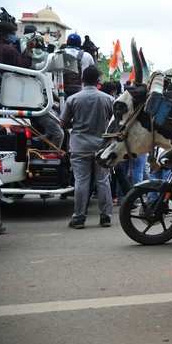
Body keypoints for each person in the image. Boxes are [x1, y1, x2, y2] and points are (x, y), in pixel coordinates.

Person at [60, 65, 114, 229]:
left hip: (79, 146)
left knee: (81, 181)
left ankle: (78, 218)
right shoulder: (108, 99)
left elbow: (63, 123)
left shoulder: (73, 99)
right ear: (98, 81)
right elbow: (115, 123)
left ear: (82, 79)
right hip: (102, 146)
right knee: (103, 181)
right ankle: (105, 216)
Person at [62, 33, 95, 97]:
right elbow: (93, 72)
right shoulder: (87, 56)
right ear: (80, 43)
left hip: (60, 93)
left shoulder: (57, 54)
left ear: (67, 42)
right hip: (82, 92)